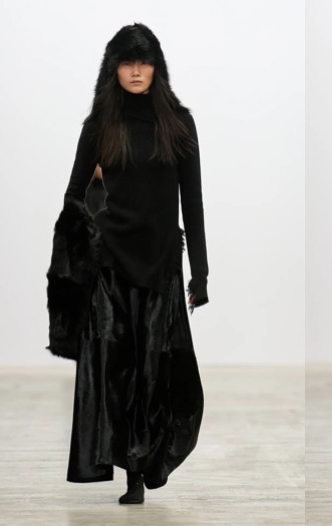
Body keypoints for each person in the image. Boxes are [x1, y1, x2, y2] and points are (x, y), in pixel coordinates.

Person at [46, 23, 208, 505]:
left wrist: (200, 273)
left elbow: (192, 201)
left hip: (160, 263)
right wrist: (76, 265)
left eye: (144, 61)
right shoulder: (100, 125)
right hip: (111, 265)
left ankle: (144, 463)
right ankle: (133, 473)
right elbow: (74, 195)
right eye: (127, 62)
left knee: (155, 371)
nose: (136, 71)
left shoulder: (179, 123)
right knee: (117, 370)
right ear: (113, 68)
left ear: (156, 67)